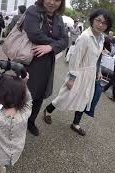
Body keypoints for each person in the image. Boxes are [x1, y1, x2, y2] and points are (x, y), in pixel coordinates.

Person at [44, 9, 113, 136]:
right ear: (92, 20)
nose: (100, 24)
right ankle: (48, 110)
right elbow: (75, 59)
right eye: (98, 20)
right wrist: (72, 78)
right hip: (79, 72)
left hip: (91, 74)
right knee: (66, 96)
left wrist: (98, 71)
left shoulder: (102, 38)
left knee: (85, 98)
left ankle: (76, 123)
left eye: (104, 23)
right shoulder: (85, 37)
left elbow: (97, 57)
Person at [23, 0, 69, 136]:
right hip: (30, 59)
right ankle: (16, 120)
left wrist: (50, 47)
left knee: (40, 94)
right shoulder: (33, 10)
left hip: (48, 62)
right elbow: (33, 33)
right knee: (24, 92)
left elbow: (66, 40)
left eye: (57, 0)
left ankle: (31, 121)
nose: (52, 2)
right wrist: (55, 44)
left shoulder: (58, 18)